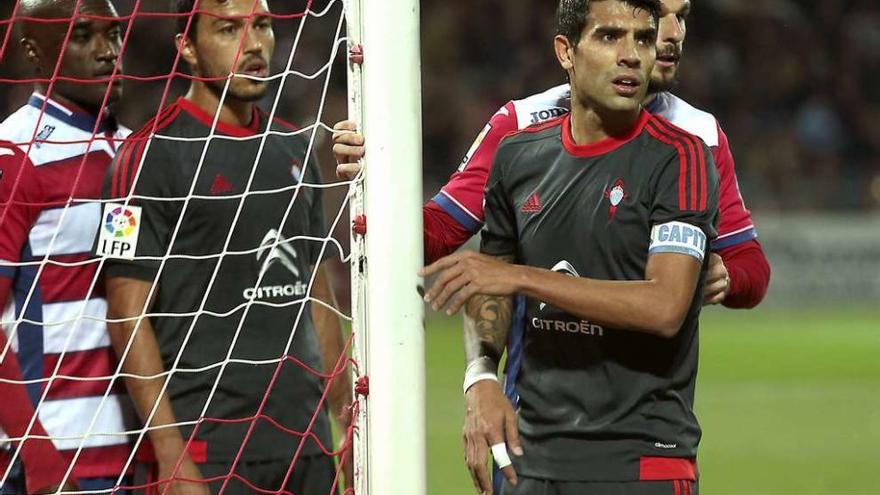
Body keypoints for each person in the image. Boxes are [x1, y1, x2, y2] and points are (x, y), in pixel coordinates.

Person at [423, 0, 718, 493]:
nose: (631, 56)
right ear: (566, 51)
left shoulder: (680, 158)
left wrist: (521, 277)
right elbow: (488, 287)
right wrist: (481, 377)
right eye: (609, 37)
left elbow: (665, 306)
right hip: (528, 461)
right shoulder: (519, 156)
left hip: (641, 461)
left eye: (643, 39)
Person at [333, 0, 769, 311]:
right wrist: (380, 173)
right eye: (659, 14)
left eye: (682, 17)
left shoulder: (699, 136)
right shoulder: (521, 126)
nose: (672, 34)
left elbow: (751, 265)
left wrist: (729, 277)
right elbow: (436, 236)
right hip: (539, 404)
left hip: (648, 411)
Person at [100, 0, 352, 494]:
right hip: (209, 451)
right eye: (227, 30)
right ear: (187, 48)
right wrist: (172, 458)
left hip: (304, 443)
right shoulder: (146, 155)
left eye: (261, 26)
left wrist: (345, 431)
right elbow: (126, 318)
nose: (254, 45)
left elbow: (320, 298)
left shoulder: (295, 148)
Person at [0, 1, 135, 493]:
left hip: (132, 449)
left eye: (114, 35)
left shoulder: (134, 149)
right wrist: (39, 458)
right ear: (36, 52)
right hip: (52, 458)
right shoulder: (14, 152)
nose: (108, 53)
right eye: (84, 36)